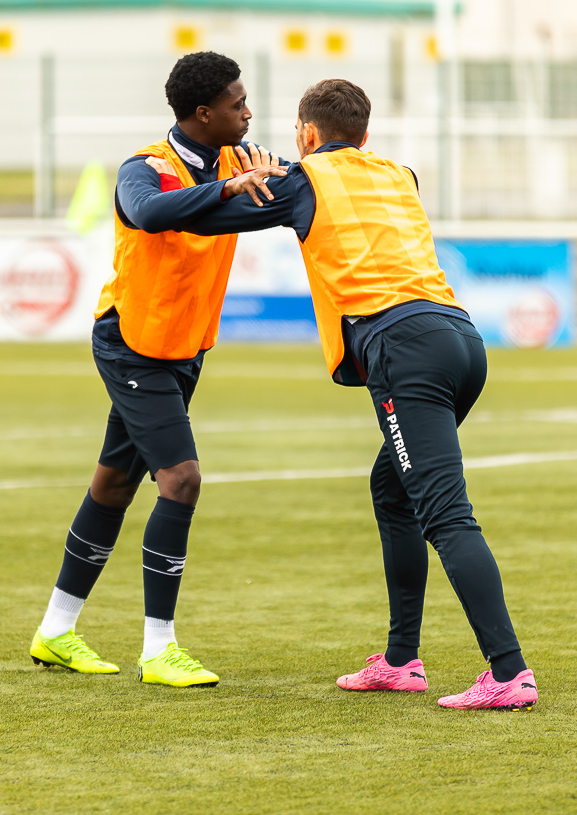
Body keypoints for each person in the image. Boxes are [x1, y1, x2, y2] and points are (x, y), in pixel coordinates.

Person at [162, 78, 536, 711]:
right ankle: (400, 661)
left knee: (445, 514)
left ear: (307, 134)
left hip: (403, 348)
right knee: (393, 490)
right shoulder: (400, 173)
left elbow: (211, 216)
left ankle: (508, 673)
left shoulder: (305, 177)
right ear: (365, 136)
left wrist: (249, 179)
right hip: (459, 339)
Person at [28, 51, 285, 688]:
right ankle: (158, 649)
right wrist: (228, 191)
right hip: (133, 343)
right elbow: (147, 213)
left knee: (113, 485)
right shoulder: (144, 167)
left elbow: (289, 195)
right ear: (203, 113)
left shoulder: (240, 163)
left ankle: (56, 632)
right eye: (237, 103)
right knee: (182, 480)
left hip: (183, 347)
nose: (248, 113)